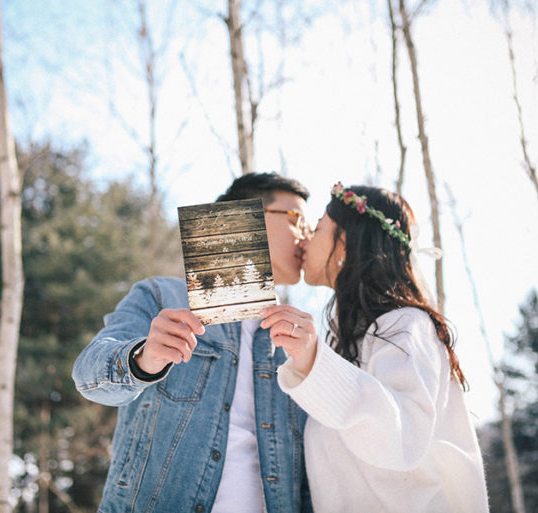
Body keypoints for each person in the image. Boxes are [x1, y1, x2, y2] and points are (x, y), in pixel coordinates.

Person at [72, 172, 314, 513]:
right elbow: (87, 376)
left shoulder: (299, 341)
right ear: (248, 215)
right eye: (296, 220)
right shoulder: (160, 296)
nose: (307, 236)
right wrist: (144, 359)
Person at [260, 182, 489, 513]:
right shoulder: (348, 342)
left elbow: (400, 440)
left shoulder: (407, 325)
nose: (306, 238)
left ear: (346, 242)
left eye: (319, 227)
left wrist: (314, 364)